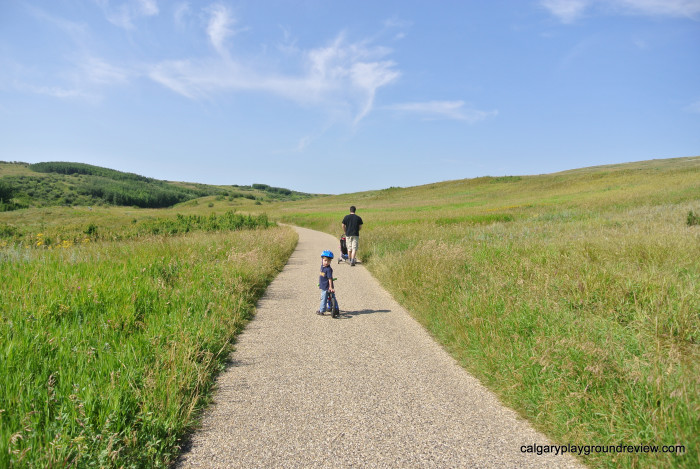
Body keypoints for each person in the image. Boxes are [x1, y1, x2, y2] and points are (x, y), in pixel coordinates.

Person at [317, 250, 339, 316]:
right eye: (325, 260)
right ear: (322, 259)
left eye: (328, 261)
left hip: (327, 287)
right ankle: (333, 308)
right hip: (323, 285)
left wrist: (331, 287)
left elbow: (330, 279)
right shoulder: (322, 267)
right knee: (331, 298)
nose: (326, 262)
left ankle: (321, 310)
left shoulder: (328, 269)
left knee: (323, 299)